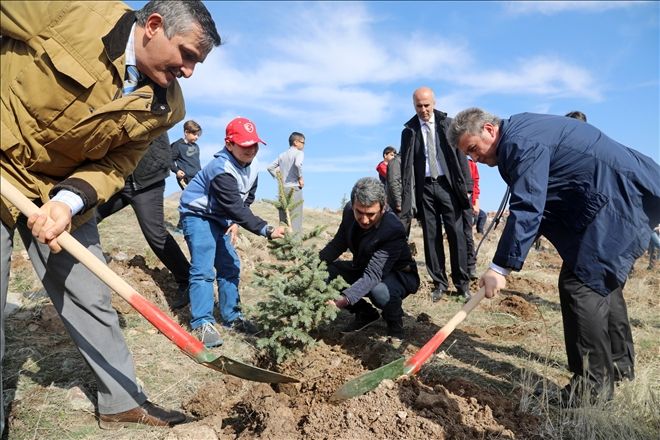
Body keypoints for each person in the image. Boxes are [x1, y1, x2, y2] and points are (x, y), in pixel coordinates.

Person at [0, 0, 220, 431]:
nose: (190, 71)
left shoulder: (167, 107)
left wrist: (67, 203)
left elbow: (116, 165)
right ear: (153, 26)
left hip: (60, 187)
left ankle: (121, 402)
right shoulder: (69, 12)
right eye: (188, 55)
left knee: (91, 293)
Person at [448, 107, 660, 406]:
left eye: (473, 149)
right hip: (613, 197)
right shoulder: (520, 134)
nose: (475, 159)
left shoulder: (521, 142)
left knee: (581, 285)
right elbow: (541, 200)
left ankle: (591, 390)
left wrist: (500, 268)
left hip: (618, 199)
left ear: (489, 130)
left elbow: (529, 204)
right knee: (598, 282)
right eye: (468, 155)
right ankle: (618, 368)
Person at [179, 117, 287, 348]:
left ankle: (232, 316)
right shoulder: (221, 169)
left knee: (230, 265)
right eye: (245, 145)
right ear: (229, 144)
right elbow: (233, 205)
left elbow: (246, 198)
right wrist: (265, 229)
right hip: (198, 215)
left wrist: (235, 222)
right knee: (204, 268)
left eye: (254, 145)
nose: (251, 150)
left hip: (221, 216)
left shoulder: (253, 166)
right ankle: (202, 323)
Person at [96, 133, 191, 310]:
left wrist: (156, 166)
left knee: (155, 234)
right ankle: (72, 272)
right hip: (118, 178)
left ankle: (187, 280)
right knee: (87, 218)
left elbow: (160, 141)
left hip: (147, 182)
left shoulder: (151, 107)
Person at [320, 177, 420, 341]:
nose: (364, 220)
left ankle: (395, 327)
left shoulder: (393, 229)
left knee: (379, 291)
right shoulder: (348, 212)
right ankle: (365, 314)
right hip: (363, 267)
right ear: (352, 205)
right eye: (359, 212)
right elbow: (338, 244)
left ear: (383, 207)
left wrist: (343, 300)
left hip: (395, 275)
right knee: (324, 273)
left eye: (371, 214)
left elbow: (373, 275)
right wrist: (310, 267)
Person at [399, 87, 472, 303]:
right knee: (431, 236)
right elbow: (406, 166)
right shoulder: (409, 131)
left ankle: (462, 284)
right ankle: (439, 283)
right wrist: (407, 196)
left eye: (427, 105)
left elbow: (460, 156)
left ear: (434, 103)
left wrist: (467, 186)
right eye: (419, 106)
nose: (423, 110)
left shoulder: (448, 125)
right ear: (414, 106)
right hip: (425, 189)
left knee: (456, 233)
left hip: (447, 186)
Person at [267, 132, 306, 235]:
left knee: (283, 220)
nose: (304, 145)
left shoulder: (282, 155)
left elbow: (269, 167)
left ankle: (284, 246)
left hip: (283, 189)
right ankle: (295, 247)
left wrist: (279, 178)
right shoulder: (299, 153)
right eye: (303, 142)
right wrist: (300, 178)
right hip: (294, 189)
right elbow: (298, 164)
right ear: (296, 142)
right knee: (296, 220)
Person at [462, 158, 481, 280]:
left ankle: (471, 266)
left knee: (468, 235)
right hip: (451, 201)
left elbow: (475, 183)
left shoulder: (470, 164)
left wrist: (476, 202)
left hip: (467, 202)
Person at [170, 120, 203, 190]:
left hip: (198, 178)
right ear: (186, 132)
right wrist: (176, 171)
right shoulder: (177, 145)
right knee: (191, 197)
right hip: (185, 179)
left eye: (198, 135)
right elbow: (169, 160)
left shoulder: (196, 146)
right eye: (194, 134)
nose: (197, 137)